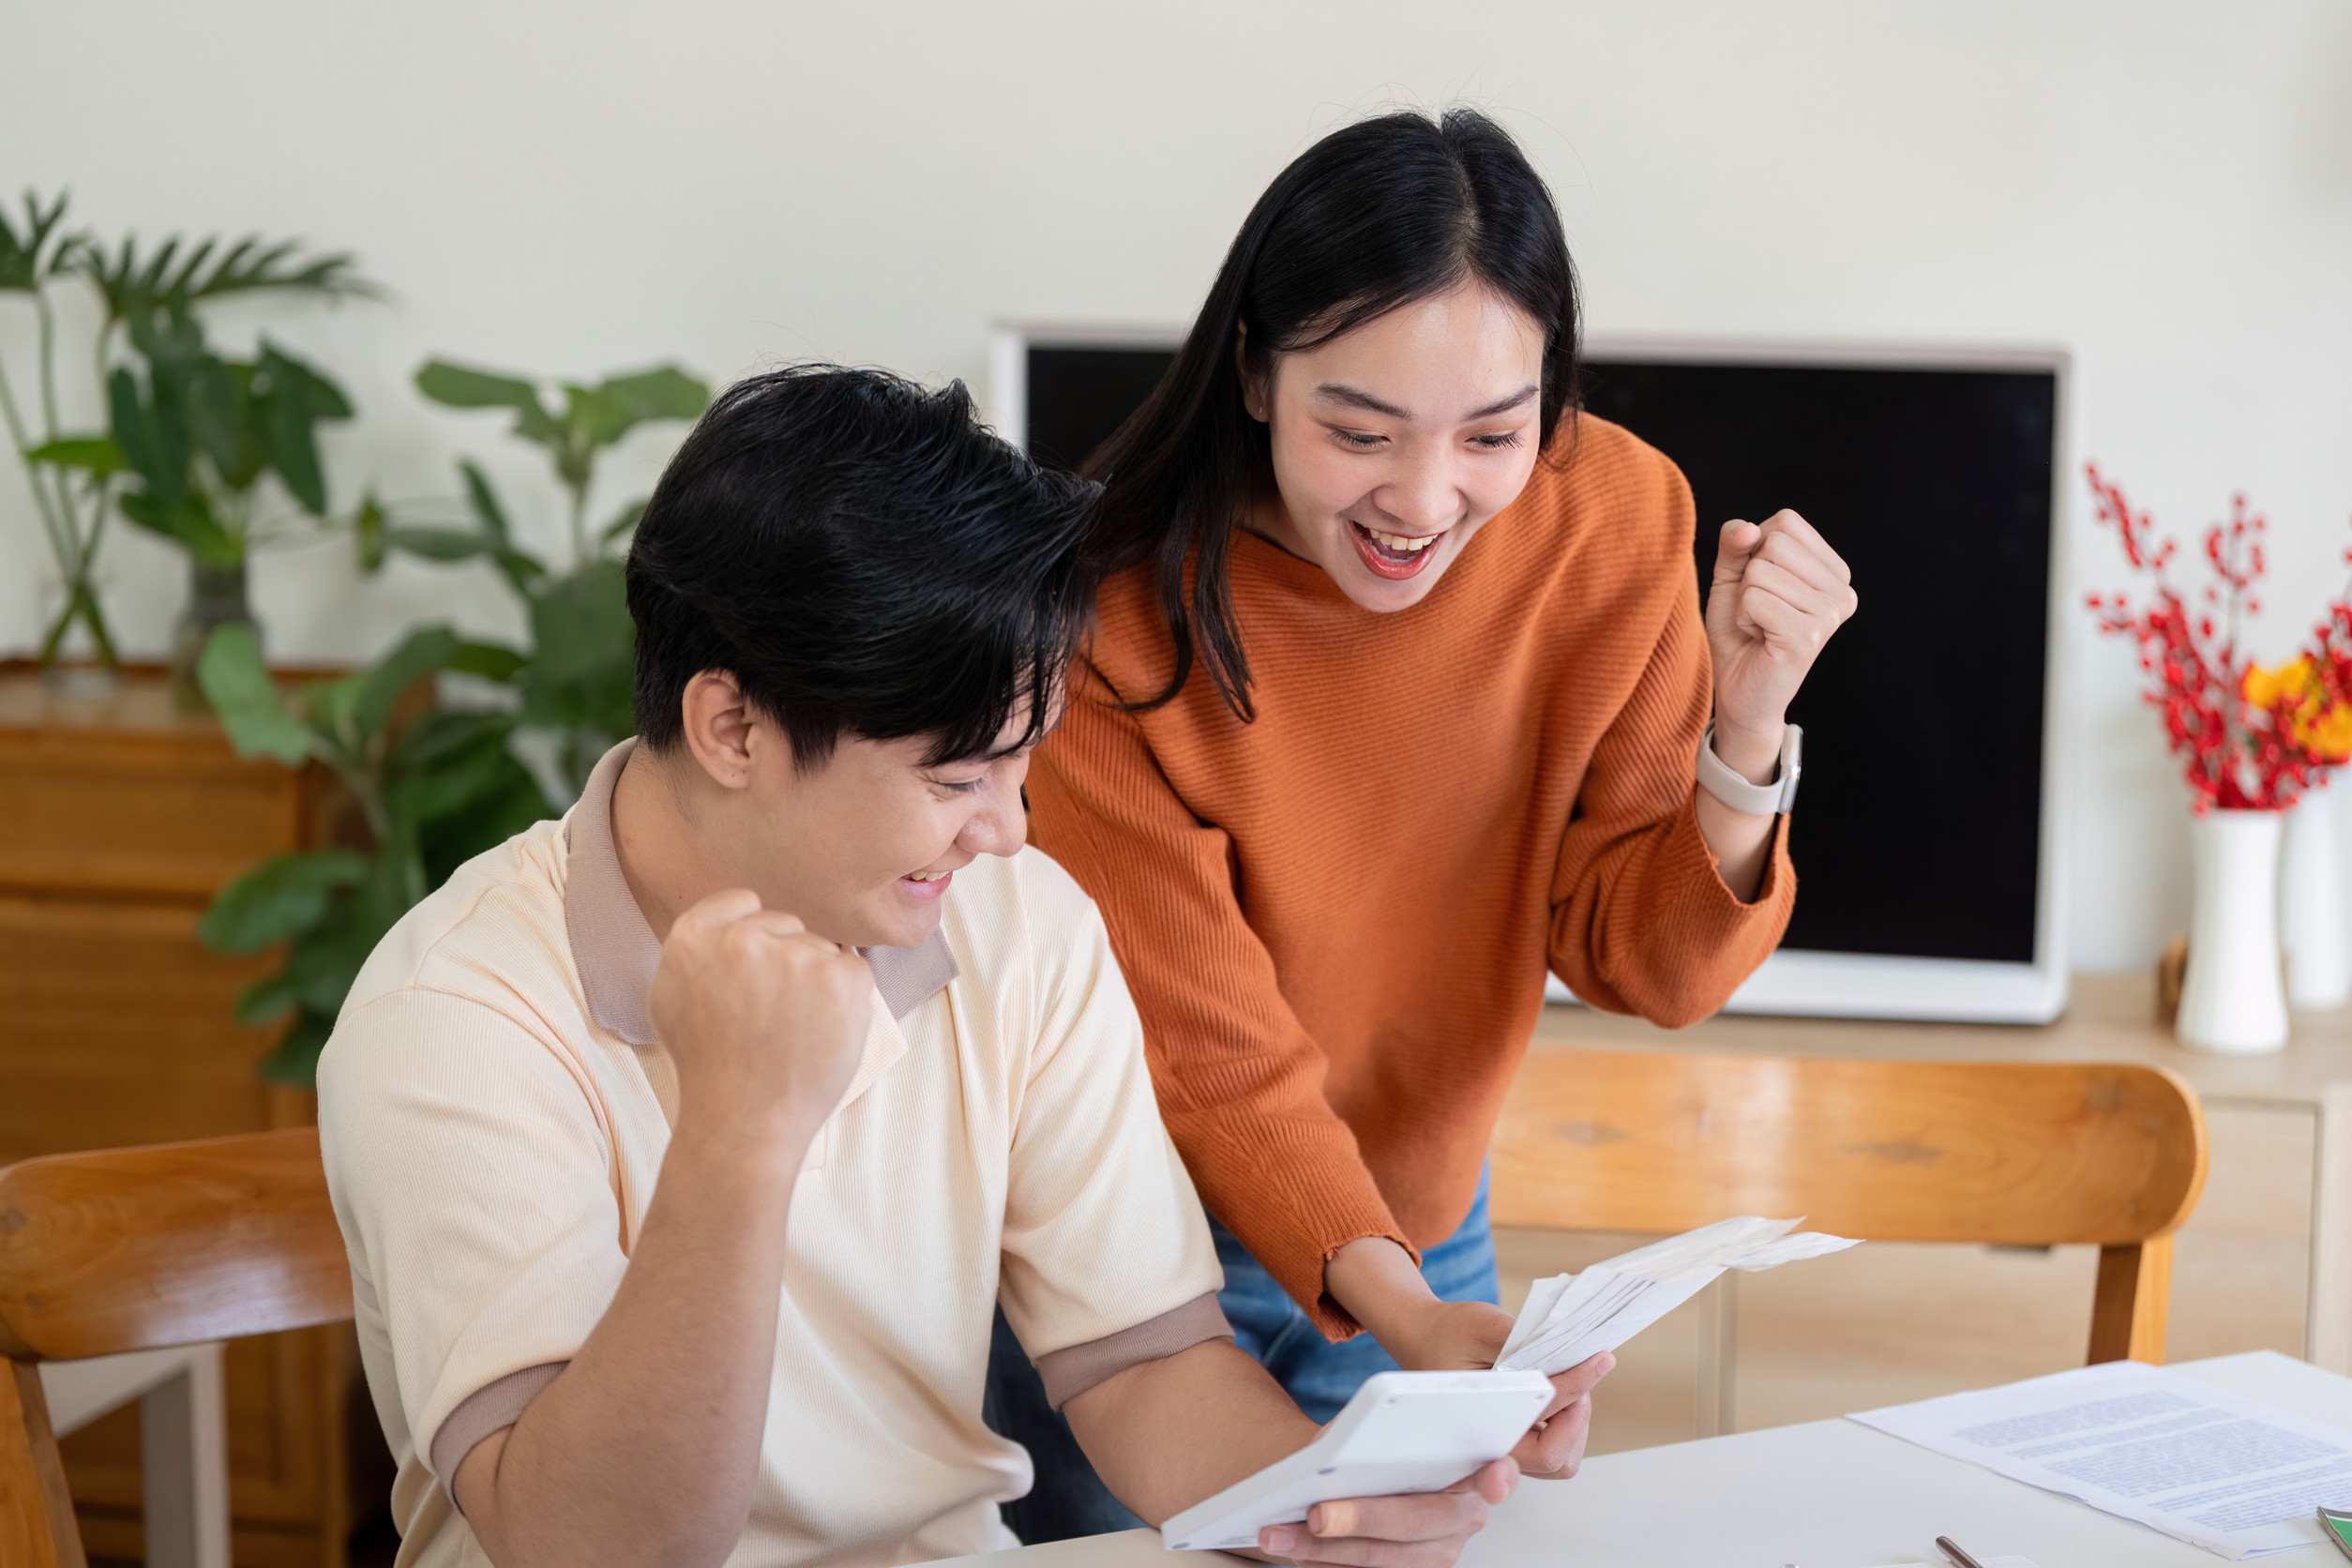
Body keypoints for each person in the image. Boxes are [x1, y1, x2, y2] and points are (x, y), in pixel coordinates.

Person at [318, 366, 1594, 1568]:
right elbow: (592, 1549)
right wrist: (742, 1131)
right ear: (731, 727)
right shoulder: (454, 1017)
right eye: (955, 776)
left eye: (1021, 763)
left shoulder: (1016, 921)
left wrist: (1324, 1509)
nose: (1011, 829)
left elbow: (1138, 1363)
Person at [990, 108, 1858, 1532]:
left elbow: (1650, 965)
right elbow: (1212, 1059)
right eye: (1359, 428)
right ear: (1257, 377)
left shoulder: (1620, 517)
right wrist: (1395, 1300)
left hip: (1423, 1212)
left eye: (1494, 433)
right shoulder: (1110, 619)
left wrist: (1747, 723)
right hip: (1123, 1248)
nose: (1423, 497)